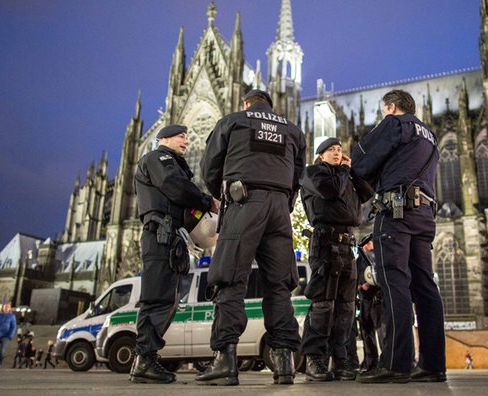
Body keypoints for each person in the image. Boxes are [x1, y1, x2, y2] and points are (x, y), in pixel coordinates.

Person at [196, 89, 306, 386]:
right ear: (270, 106)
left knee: (229, 278)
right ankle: (284, 363)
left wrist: (223, 195)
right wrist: (285, 201)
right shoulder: (292, 130)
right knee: (280, 284)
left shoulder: (233, 122)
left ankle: (225, 360)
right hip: (280, 208)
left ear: (247, 104)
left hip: (244, 202)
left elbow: (209, 167)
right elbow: (299, 174)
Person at [351, 89, 446, 383]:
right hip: (424, 215)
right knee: (425, 287)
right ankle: (432, 364)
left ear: (391, 107)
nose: (383, 116)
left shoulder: (394, 124)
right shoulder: (429, 134)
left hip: (396, 212)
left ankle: (395, 362)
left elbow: (361, 161)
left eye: (383, 111)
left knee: (394, 284)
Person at [131, 124, 218, 384]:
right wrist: (205, 200)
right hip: (161, 235)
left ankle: (147, 358)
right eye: (181, 136)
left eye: (187, 137)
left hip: (172, 237)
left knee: (167, 298)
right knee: (157, 297)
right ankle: (144, 361)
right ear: (164, 139)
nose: (187, 141)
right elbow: (174, 186)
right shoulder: (159, 158)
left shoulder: (171, 162)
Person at [298, 137, 374, 382]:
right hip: (325, 244)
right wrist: (342, 170)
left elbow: (367, 192)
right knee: (323, 305)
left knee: (345, 307)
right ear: (320, 155)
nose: (337, 153)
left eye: (340, 150)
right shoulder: (313, 173)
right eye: (331, 150)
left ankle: (341, 359)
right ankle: (314, 358)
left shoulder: (344, 176)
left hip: (347, 245)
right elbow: (329, 192)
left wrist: (351, 171)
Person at [356, 239, 383, 373]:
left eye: (369, 243)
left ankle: (376, 362)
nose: (366, 246)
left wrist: (366, 284)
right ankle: (371, 362)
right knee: (368, 331)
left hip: (374, 298)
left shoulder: (373, 255)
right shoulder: (362, 257)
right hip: (366, 299)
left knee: (378, 330)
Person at [0, 302, 17, 371]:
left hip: (6, 336)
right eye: (5, 307)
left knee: (2, 351)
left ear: (9, 308)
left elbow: (13, 327)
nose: (5, 308)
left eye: (7, 307)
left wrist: (10, 335)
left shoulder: (12, 316)